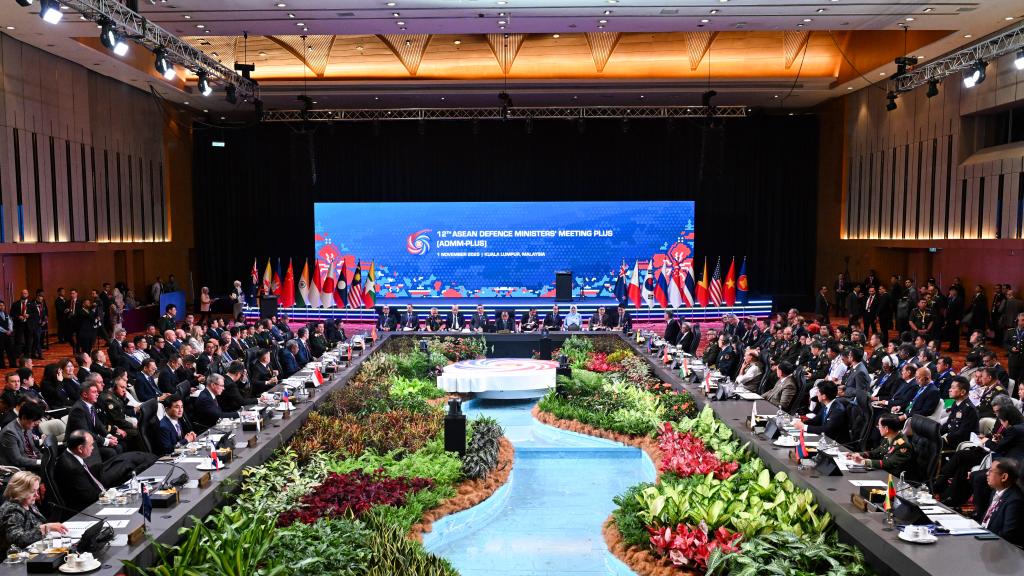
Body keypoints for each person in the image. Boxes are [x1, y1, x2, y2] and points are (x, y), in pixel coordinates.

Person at [0, 472, 67, 549]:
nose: (37, 495)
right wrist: (45, 528)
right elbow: (16, 540)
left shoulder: (28, 503)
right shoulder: (12, 509)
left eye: (37, 490)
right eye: (32, 491)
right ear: (20, 491)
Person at [67, 382, 124, 462]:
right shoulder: (78, 409)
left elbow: (98, 424)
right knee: (111, 452)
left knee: (118, 446)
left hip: (91, 440)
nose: (97, 394)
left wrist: (109, 436)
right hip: (81, 445)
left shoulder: (90, 405)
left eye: (97, 392)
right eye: (94, 392)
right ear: (85, 394)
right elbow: (85, 432)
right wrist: (106, 441)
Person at [56, 431, 107, 513]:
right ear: (80, 448)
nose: (93, 448)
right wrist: (109, 495)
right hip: (84, 509)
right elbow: (89, 497)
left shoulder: (69, 454)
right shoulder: (73, 469)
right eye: (90, 445)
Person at [977, 458, 1024, 546]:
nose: (987, 473)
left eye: (991, 471)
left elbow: (1008, 536)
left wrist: (980, 537)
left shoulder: (1015, 501)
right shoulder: (996, 491)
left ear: (1004, 477)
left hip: (997, 547)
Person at [794, 381, 850, 445]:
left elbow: (827, 430)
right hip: (827, 440)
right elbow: (816, 420)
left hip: (838, 445)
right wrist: (800, 423)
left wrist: (804, 427)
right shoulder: (827, 405)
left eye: (818, 392)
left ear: (824, 396)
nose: (816, 394)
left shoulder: (838, 410)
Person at [0, 402, 45, 471]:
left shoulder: (26, 425)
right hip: (17, 468)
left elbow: (34, 449)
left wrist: (45, 459)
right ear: (24, 417)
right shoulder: (9, 432)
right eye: (34, 421)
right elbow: (17, 460)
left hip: (30, 461)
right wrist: (40, 462)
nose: (36, 423)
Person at [941, 377, 979, 449]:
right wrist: (935, 432)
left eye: (953, 388)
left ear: (963, 392)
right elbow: (949, 424)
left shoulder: (969, 409)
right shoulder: (955, 404)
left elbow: (962, 433)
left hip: (960, 443)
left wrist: (944, 439)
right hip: (951, 438)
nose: (949, 390)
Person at [0, 301, 14, 369]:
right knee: (1, 350)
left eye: (3, 305)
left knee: (10, 349)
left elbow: (10, 322)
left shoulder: (6, 314)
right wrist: (6, 331)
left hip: (8, 334)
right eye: (0, 305)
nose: (2, 307)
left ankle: (13, 364)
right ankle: (1, 365)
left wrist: (10, 330)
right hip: (1, 335)